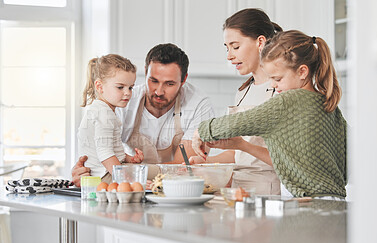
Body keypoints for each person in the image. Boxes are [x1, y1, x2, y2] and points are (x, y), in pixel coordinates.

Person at [192, 30, 347, 198]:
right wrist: (242, 145)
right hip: (334, 200)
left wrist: (201, 131)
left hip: (308, 203)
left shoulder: (289, 100)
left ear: (302, 72)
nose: (273, 85)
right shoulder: (327, 104)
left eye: (278, 79)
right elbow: (289, 162)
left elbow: (239, 122)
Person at [72, 44, 215, 186]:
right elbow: (103, 151)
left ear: (183, 80)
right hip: (132, 181)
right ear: (145, 72)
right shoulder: (122, 101)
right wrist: (84, 171)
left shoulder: (198, 105)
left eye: (169, 84)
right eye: (153, 81)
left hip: (175, 185)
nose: (159, 91)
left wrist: (130, 166)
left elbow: (183, 167)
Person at [189, 8, 282, 195]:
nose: (229, 56)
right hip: (238, 189)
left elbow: (284, 159)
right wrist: (206, 163)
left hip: (268, 190)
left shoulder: (280, 90)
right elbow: (237, 153)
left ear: (260, 42)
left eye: (235, 46)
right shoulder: (243, 92)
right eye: (227, 47)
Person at [77, 54, 144, 179]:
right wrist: (125, 180)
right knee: (154, 174)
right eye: (120, 87)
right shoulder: (104, 113)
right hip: (104, 175)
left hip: (105, 172)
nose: (127, 93)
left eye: (130, 87)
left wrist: (129, 158)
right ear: (99, 86)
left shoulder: (103, 109)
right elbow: (105, 153)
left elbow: (110, 148)